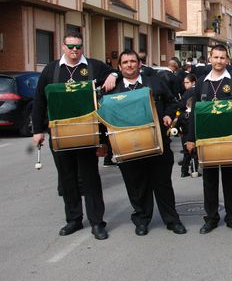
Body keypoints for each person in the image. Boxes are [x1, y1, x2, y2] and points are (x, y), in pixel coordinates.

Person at [31, 31, 117, 240]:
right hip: (59, 132)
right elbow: (39, 100)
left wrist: (113, 75)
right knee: (67, 178)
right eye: (70, 47)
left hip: (86, 132)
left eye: (78, 46)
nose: (74, 50)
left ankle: (97, 222)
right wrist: (37, 131)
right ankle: (74, 220)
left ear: (82, 47)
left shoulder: (94, 66)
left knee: (90, 179)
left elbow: (116, 71)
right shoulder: (51, 70)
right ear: (63, 47)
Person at [106, 49, 187, 236]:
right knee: (136, 185)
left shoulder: (155, 82)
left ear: (139, 64)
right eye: (125, 62)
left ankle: (172, 220)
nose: (129, 65)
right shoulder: (113, 89)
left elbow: (173, 103)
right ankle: (142, 220)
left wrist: (167, 114)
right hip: (129, 146)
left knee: (163, 184)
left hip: (158, 143)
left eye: (132, 61)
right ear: (119, 67)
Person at [185, 45, 232, 234]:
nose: (219, 61)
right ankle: (211, 218)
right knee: (209, 180)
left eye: (222, 58)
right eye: (216, 57)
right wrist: (190, 138)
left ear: (227, 60)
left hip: (228, 136)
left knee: (229, 179)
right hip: (206, 138)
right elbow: (195, 111)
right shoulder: (202, 81)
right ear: (210, 58)